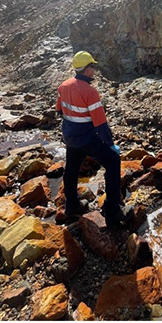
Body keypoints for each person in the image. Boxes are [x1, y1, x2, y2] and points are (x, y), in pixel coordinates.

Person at [56, 51, 131, 226]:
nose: (94, 70)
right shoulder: (90, 91)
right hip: (87, 138)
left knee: (72, 169)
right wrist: (111, 145)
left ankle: (72, 206)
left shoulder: (63, 86)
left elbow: (59, 110)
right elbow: (101, 124)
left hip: (70, 137)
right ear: (87, 69)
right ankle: (113, 211)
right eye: (93, 67)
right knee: (112, 162)